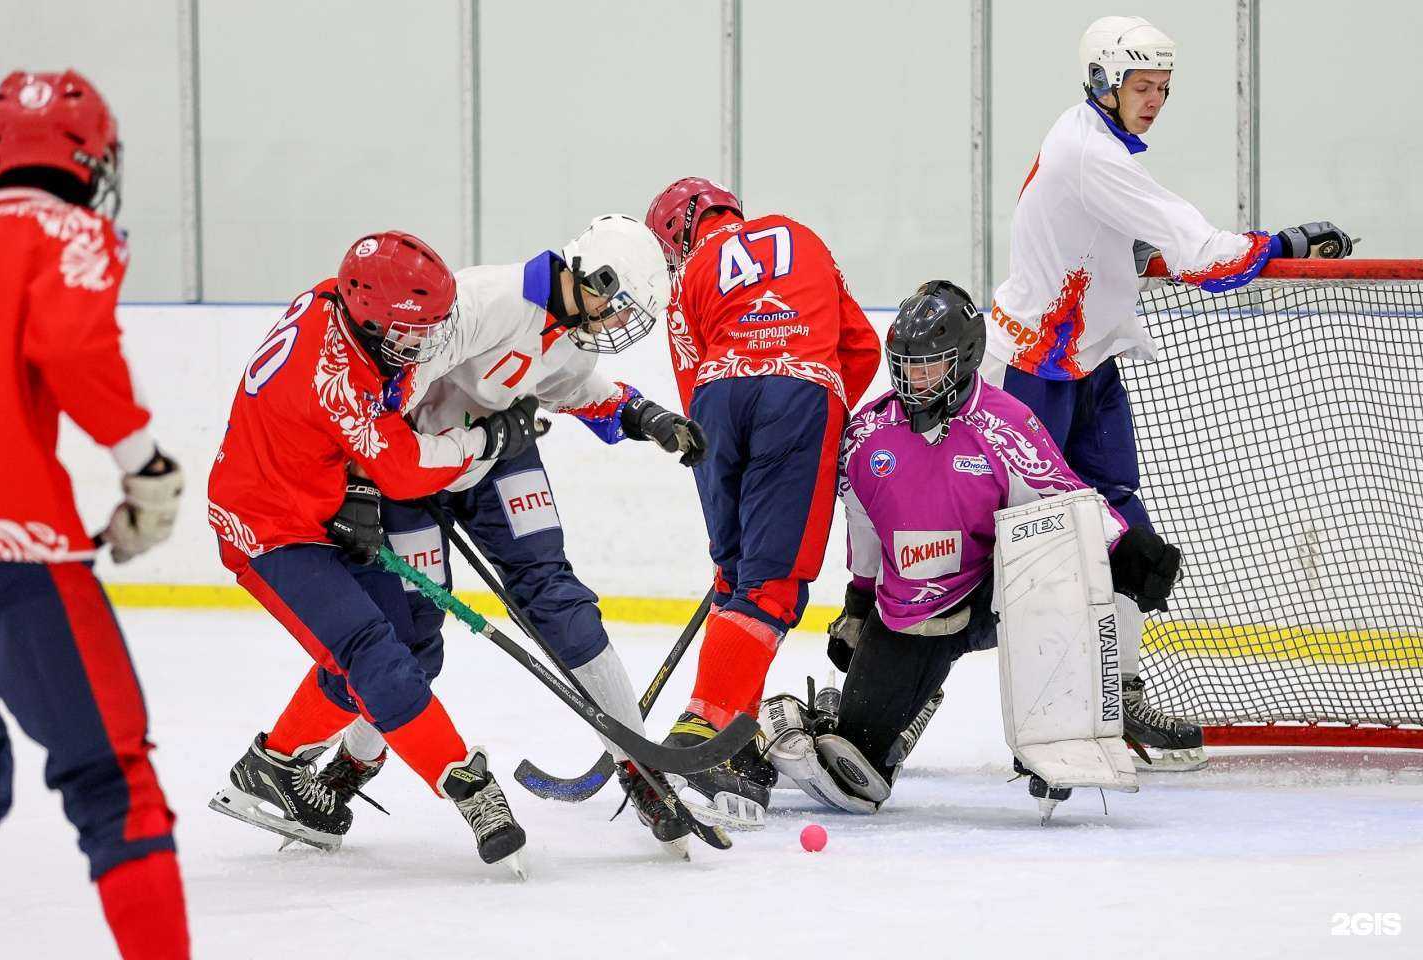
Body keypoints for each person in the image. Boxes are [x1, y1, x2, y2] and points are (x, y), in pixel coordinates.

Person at [983, 15, 1353, 767]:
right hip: (1033, 374)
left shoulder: (1095, 142)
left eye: (1164, 89)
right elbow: (1205, 255)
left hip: (1087, 364)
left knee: (1125, 527)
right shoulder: (1090, 152)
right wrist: (1282, 245)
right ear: (1103, 84)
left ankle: (1118, 695)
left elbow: (1107, 233)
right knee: (1043, 547)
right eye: (1142, 87)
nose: (1155, 101)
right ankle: (1031, 713)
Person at [312, 214, 709, 855]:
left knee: (557, 598)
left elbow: (576, 388)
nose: (619, 322)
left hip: (498, 456)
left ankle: (643, 772)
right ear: (595, 278)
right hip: (412, 471)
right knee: (410, 639)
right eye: (621, 304)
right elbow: (389, 386)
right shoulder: (487, 300)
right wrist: (361, 479)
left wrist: (644, 415)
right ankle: (350, 765)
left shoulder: (574, 327)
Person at [761, 281, 1181, 818]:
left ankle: (1052, 734)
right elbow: (863, 527)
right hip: (913, 611)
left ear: (964, 360)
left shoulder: (1004, 424)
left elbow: (1065, 498)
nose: (916, 380)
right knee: (858, 764)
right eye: (907, 366)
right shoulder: (867, 434)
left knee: (1053, 562)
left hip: (995, 596)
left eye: (930, 367)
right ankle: (841, 710)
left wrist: (1124, 549)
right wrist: (859, 604)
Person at [206, 230, 535, 875]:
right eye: (409, 333)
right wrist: (489, 439)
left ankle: (269, 766)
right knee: (371, 653)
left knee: (409, 642)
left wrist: (346, 480)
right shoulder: (335, 376)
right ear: (374, 316)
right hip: (267, 530)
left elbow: (367, 403)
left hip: (317, 506)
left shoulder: (337, 302)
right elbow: (409, 471)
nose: (417, 347)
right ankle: (467, 785)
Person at [0, 70, 190, 958]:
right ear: (91, 157)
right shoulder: (72, 231)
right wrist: (143, 467)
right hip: (15, 554)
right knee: (114, 781)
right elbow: (67, 343)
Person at [643, 178, 881, 829]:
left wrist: (728, 543)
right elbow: (862, 347)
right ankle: (704, 731)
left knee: (741, 579)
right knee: (772, 589)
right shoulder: (802, 237)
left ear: (680, 232)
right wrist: (821, 420)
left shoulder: (689, 278)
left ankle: (733, 734)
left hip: (720, 399)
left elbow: (694, 412)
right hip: (798, 391)